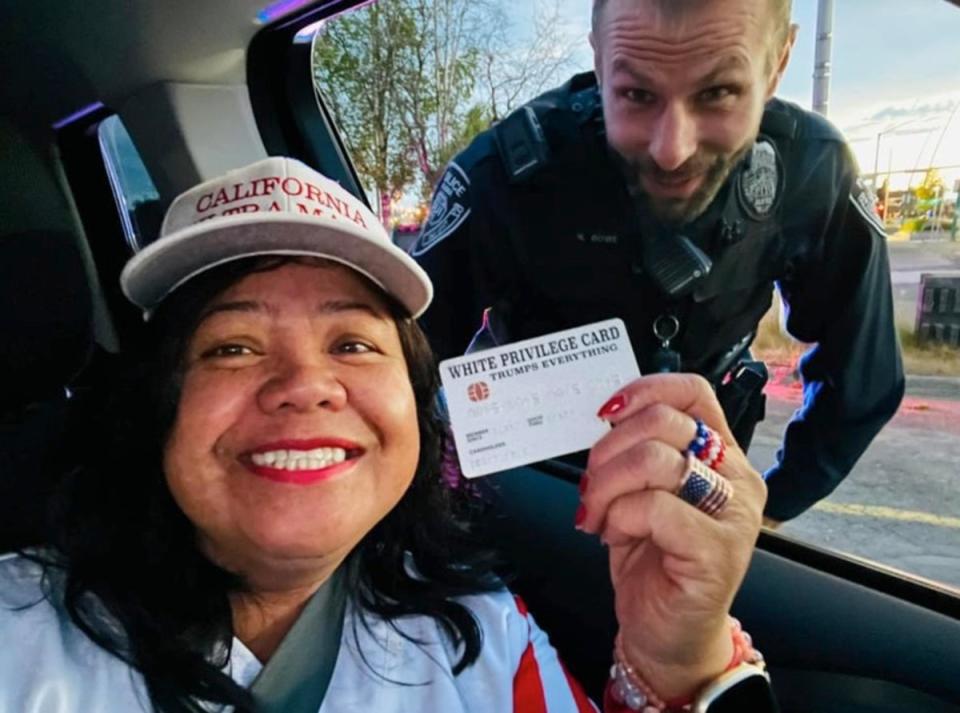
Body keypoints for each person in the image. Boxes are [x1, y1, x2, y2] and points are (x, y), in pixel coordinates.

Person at [1, 157, 775, 712]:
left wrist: (678, 660)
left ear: (414, 404)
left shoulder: (485, 636)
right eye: (231, 346)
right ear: (157, 406)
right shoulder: (16, 638)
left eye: (353, 344)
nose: (306, 383)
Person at [410, 0, 905, 525]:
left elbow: (862, 377)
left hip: (704, 487)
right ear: (600, 63)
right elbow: (407, 367)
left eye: (718, 93)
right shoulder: (508, 173)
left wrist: (766, 511)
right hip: (532, 494)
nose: (673, 149)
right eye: (637, 95)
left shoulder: (813, 171)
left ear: (777, 63)